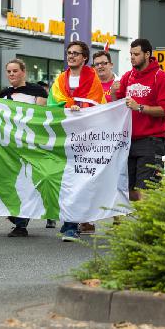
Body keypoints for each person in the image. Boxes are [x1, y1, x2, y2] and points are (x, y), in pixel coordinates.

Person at [49, 41, 106, 241]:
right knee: (65, 180)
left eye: (76, 53)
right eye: (69, 52)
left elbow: (98, 104)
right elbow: (52, 103)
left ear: (84, 58)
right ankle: (69, 222)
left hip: (85, 139)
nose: (71, 56)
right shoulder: (59, 80)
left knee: (78, 180)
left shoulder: (93, 80)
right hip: (64, 137)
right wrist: (69, 105)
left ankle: (72, 224)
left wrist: (78, 107)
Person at [111, 38, 165, 200]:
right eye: (131, 54)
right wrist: (113, 92)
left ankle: (148, 225)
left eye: (136, 54)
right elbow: (116, 105)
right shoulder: (128, 76)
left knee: (145, 190)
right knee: (129, 191)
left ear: (147, 54)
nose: (132, 57)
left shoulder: (160, 77)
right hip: (129, 141)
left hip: (151, 140)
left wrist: (140, 107)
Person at [0, 59, 48, 237]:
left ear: (23, 72)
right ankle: (18, 217)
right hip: (9, 146)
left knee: (26, 183)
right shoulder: (3, 94)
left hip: (30, 144)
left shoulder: (38, 91)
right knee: (10, 182)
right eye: (9, 71)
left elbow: (40, 117)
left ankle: (21, 224)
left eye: (15, 71)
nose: (11, 74)